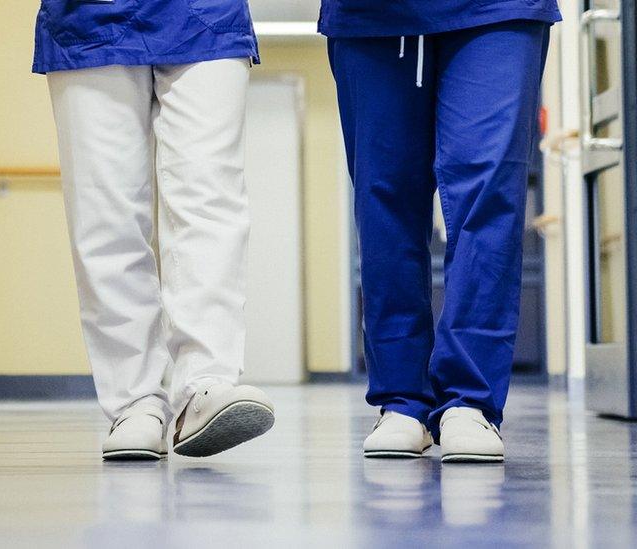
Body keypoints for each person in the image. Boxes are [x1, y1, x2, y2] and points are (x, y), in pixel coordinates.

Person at [320, 0, 561, 462]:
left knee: (488, 192)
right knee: (384, 198)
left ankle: (471, 402)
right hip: (372, 16)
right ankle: (402, 402)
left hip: (499, 10)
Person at [33, 0, 275, 460]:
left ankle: (205, 386)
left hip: (206, 14)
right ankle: (134, 401)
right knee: (105, 212)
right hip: (87, 17)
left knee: (208, 198)